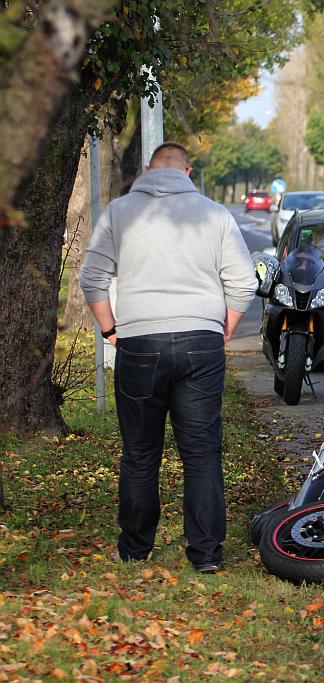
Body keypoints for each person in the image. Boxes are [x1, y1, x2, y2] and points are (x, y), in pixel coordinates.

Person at [79, 141, 257, 574]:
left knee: (140, 453)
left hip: (140, 343)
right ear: (188, 172)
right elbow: (244, 282)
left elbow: (92, 278)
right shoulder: (215, 215)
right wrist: (225, 326)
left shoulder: (120, 212)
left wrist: (110, 329)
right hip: (201, 341)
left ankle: (135, 548)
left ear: (146, 170)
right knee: (201, 452)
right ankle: (206, 554)